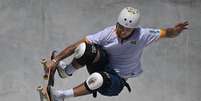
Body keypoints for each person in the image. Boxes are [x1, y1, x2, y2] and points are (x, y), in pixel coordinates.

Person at [45, 7, 189, 101]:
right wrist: (56, 59)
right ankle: (66, 71)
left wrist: (175, 31)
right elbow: (77, 44)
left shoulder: (143, 35)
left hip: (116, 80)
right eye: (120, 27)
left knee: (98, 79)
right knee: (85, 48)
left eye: (127, 29)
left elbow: (165, 33)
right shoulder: (109, 32)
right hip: (103, 65)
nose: (122, 31)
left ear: (134, 29)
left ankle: (61, 96)